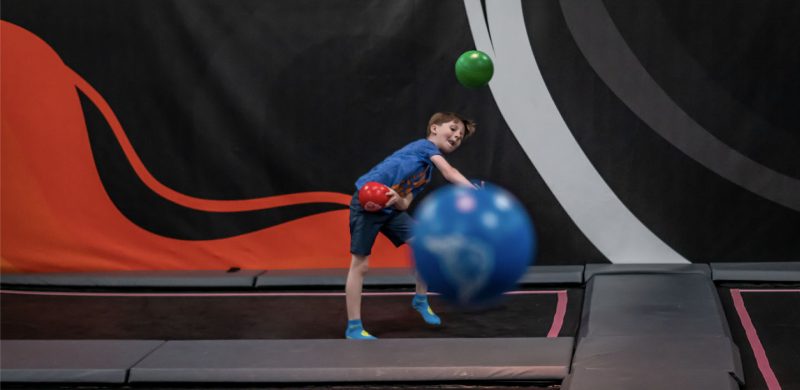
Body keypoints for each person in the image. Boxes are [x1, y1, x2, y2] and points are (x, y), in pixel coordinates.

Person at [345, 111, 477, 340]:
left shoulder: (425, 173)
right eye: (453, 129)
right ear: (434, 128)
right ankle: (354, 327)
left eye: (461, 136)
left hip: (389, 209)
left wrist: (398, 199)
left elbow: (405, 203)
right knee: (360, 265)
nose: (457, 136)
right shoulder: (424, 147)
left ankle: (420, 300)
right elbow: (450, 172)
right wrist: (475, 194)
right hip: (367, 203)